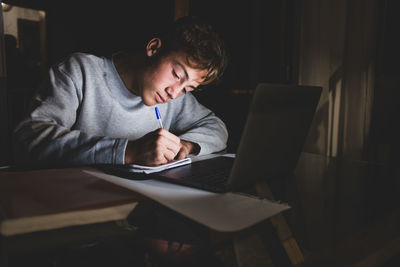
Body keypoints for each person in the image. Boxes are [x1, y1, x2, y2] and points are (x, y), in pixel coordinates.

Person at [12, 16, 228, 168]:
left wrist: (185, 145)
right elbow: (30, 138)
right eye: (176, 74)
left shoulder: (174, 98)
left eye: (189, 88)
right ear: (153, 48)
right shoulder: (80, 72)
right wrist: (127, 152)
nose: (175, 92)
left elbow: (217, 128)